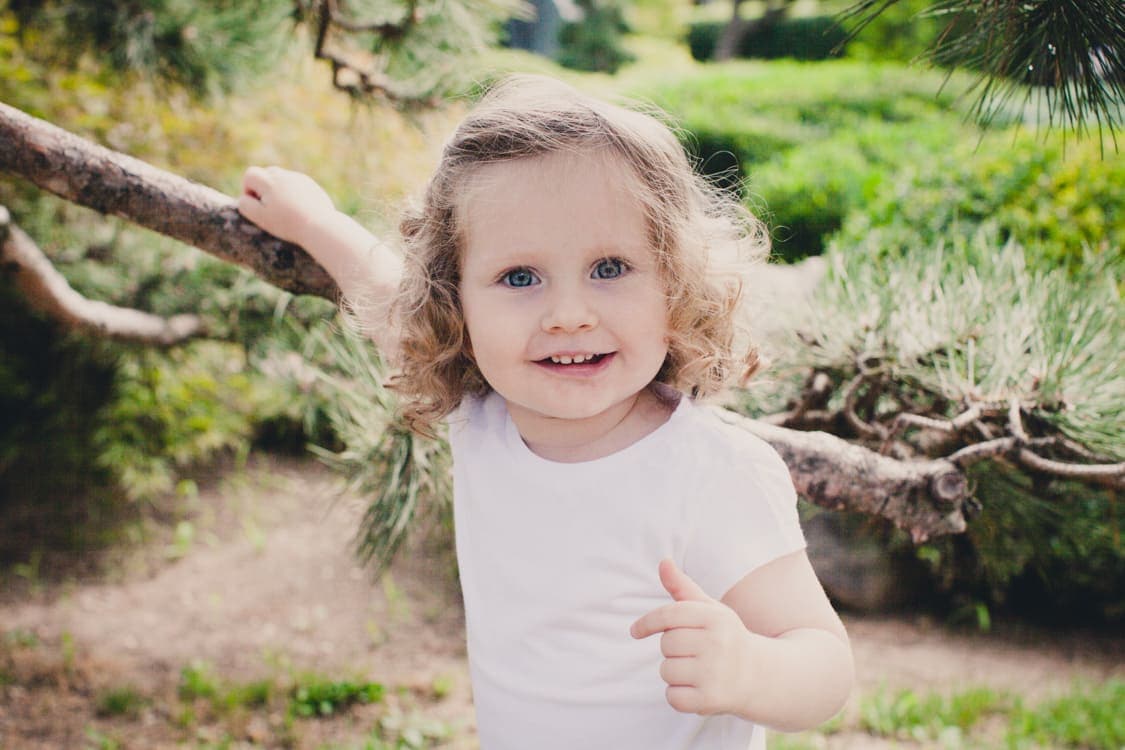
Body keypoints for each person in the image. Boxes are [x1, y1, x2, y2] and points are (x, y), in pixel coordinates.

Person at [238, 74, 853, 750]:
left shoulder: (709, 472)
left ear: (675, 281)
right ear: (453, 301)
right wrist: (314, 221)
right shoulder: (482, 419)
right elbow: (380, 286)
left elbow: (824, 665)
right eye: (520, 278)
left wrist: (751, 669)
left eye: (609, 267)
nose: (568, 315)